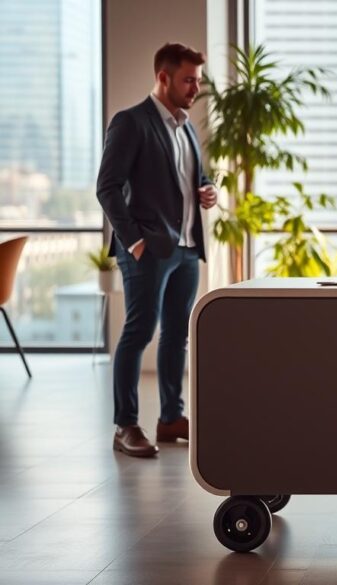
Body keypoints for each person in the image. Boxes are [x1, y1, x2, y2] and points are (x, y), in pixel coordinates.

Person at [96, 43, 218, 458]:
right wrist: (135, 241)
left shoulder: (187, 127)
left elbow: (197, 177)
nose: (195, 88)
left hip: (185, 249)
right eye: (188, 80)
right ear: (163, 77)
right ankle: (125, 425)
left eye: (198, 81)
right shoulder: (131, 123)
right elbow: (107, 187)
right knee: (139, 332)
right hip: (148, 250)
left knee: (176, 338)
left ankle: (170, 419)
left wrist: (208, 191)